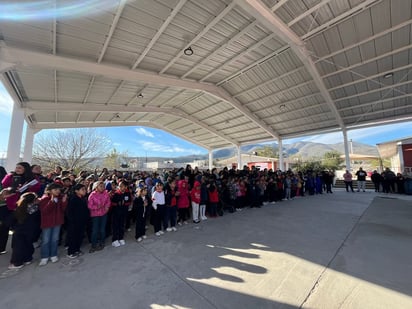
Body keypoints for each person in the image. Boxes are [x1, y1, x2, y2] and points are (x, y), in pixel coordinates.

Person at [1, 162, 41, 254]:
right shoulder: (10, 176)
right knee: (11, 228)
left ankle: (20, 249)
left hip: (25, 206)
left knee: (22, 229)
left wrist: (28, 187)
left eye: (20, 168)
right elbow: (4, 186)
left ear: (25, 169)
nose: (17, 169)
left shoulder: (32, 178)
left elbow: (36, 189)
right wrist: (12, 187)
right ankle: (9, 248)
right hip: (11, 206)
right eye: (17, 167)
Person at [38, 183, 68, 266]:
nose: (58, 191)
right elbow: (45, 211)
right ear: (49, 191)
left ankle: (53, 254)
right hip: (47, 223)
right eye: (55, 190)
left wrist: (64, 202)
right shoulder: (44, 199)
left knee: (55, 239)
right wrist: (51, 201)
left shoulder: (60, 198)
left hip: (57, 222)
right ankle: (44, 256)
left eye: (58, 190)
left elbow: (63, 210)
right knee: (46, 240)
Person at [8, 192, 40, 269]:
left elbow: (10, 221)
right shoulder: (36, 209)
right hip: (32, 231)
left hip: (20, 231)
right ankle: (28, 259)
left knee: (18, 247)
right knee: (28, 245)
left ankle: (17, 263)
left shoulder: (19, 209)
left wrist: (13, 227)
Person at [66, 184, 89, 258]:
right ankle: (71, 252)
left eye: (85, 189)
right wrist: (72, 221)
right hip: (74, 222)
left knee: (80, 236)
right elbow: (69, 211)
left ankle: (77, 249)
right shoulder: (73, 199)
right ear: (76, 191)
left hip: (82, 221)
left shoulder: (83, 198)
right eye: (82, 189)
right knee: (73, 237)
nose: (84, 191)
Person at [88, 181, 111, 253]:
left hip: (103, 214)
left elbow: (108, 201)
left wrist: (107, 207)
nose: (102, 188)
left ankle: (102, 242)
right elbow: (90, 205)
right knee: (95, 230)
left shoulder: (106, 193)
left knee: (102, 229)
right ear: (96, 187)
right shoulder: (92, 195)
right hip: (95, 215)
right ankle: (94, 244)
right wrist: (97, 207)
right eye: (100, 186)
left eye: (103, 186)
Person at [110, 180, 132, 247]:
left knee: (121, 225)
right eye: (119, 186)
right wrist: (117, 204)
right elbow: (112, 203)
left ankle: (120, 237)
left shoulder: (127, 193)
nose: (120, 187)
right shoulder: (116, 194)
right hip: (116, 213)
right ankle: (114, 239)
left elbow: (129, 201)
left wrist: (124, 203)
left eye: (122, 186)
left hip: (123, 212)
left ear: (125, 187)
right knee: (115, 226)